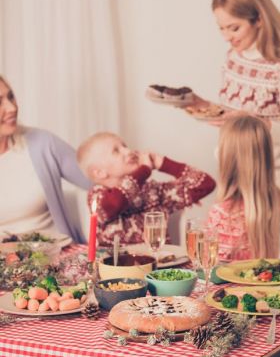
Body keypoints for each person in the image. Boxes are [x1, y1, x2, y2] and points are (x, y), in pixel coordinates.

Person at [188, 0, 280, 196]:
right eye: (221, 29)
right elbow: (233, 116)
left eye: (234, 28)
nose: (226, 37)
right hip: (232, 176)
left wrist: (257, 123)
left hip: (273, 184)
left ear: (259, 19)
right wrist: (200, 105)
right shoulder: (234, 58)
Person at [77, 132, 216, 246]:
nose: (128, 151)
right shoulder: (97, 196)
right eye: (116, 151)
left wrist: (164, 164)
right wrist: (144, 170)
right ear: (100, 173)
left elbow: (205, 184)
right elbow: (114, 203)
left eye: (125, 146)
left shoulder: (154, 191)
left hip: (157, 269)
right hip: (117, 272)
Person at [0, 75, 91, 242]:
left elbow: (96, 178)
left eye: (11, 96)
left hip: (55, 257)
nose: (12, 107)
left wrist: (137, 163)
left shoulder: (42, 143)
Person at [206, 114, 280, 262]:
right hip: (264, 281)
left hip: (230, 284)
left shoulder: (221, 211)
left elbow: (211, 267)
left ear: (227, 157)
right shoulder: (274, 199)